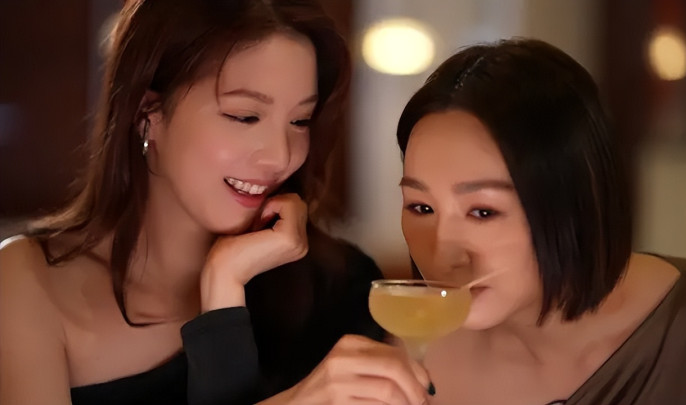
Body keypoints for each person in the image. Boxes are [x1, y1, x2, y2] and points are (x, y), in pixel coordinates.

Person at [0, 1, 432, 404]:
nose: (280, 156)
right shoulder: (31, 283)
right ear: (148, 113)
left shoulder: (339, 287)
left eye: (300, 121)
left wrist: (224, 286)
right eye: (245, 116)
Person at [395, 38, 686, 404]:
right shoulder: (399, 363)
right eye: (421, 208)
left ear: (576, 201)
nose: (443, 254)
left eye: (483, 212)